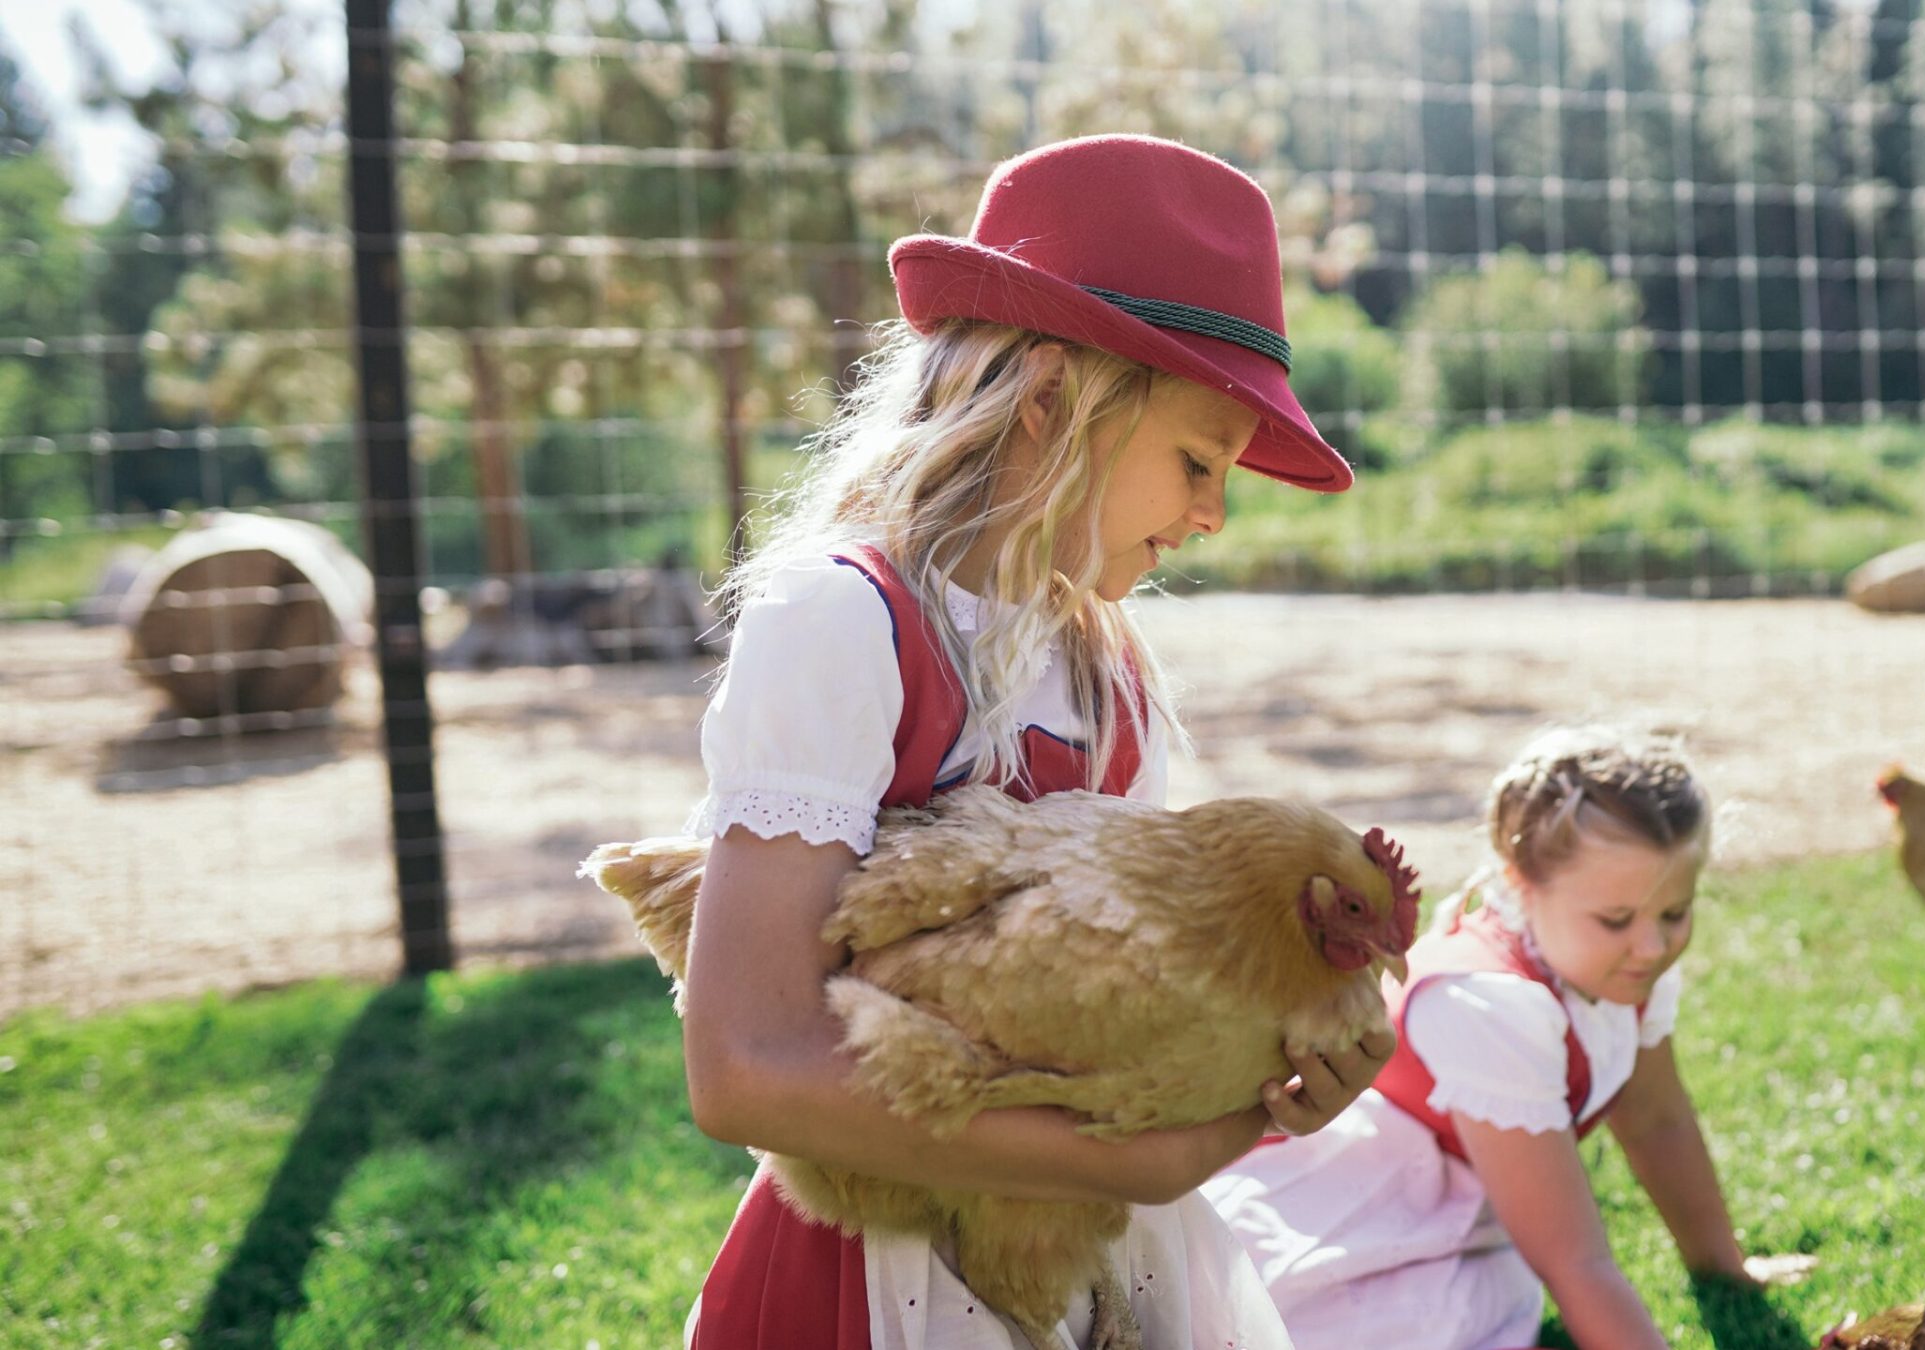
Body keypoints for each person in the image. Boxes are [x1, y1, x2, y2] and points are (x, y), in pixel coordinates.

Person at [673, 134, 1392, 1349]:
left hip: (1091, 1252)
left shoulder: (1110, 671)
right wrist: (1132, 1160)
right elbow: (744, 1063)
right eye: (1196, 460)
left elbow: (1118, 1003)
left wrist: (1263, 1083)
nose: (1214, 514)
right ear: (1055, 396)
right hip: (883, 1272)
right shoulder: (845, 620)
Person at [1204, 725, 1814, 1350]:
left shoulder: (1629, 965)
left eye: (1674, 913)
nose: (1654, 946)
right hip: (1356, 1202)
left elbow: (1657, 1121)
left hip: (1479, 1204)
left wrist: (1723, 1266)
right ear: (1521, 883)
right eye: (1615, 919)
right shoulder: (1489, 1005)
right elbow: (1576, 1261)